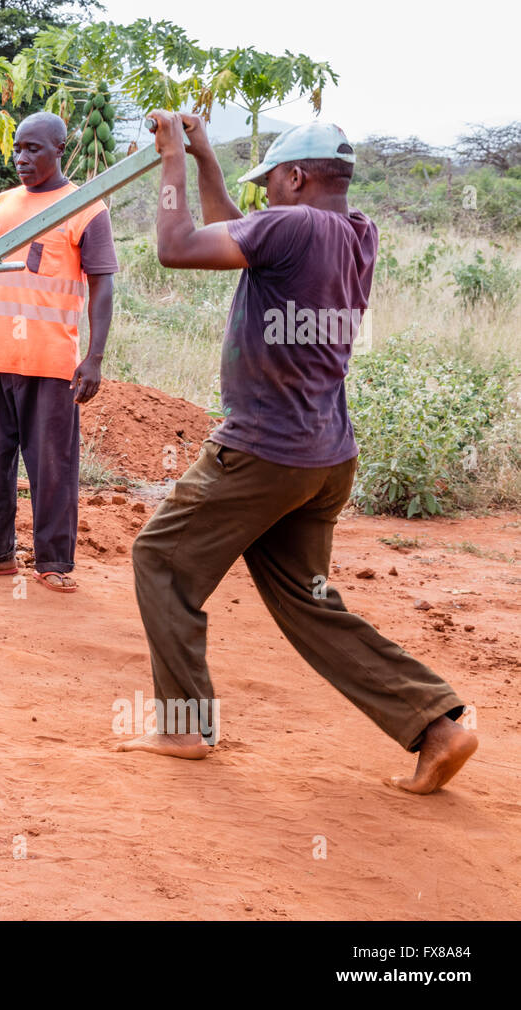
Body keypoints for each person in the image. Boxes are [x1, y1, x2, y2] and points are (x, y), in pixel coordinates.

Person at [121, 111, 477, 794]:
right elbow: (237, 229)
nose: (266, 200)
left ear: (294, 176)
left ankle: (184, 725)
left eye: (271, 186)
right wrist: (204, 164)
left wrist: (168, 159)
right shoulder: (356, 232)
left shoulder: (293, 225)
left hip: (263, 450)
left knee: (161, 560)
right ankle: (437, 726)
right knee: (309, 600)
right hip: (325, 454)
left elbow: (176, 246)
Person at [0, 111, 119, 593]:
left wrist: (95, 357)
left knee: (53, 468)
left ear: (60, 149)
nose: (21, 158)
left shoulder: (84, 208)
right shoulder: (1, 206)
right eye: (17, 148)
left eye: (33, 149)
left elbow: (102, 286)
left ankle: (54, 564)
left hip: (53, 364)